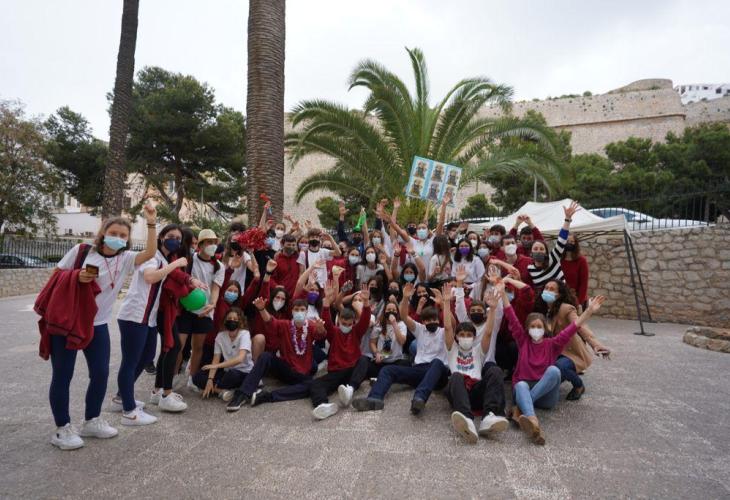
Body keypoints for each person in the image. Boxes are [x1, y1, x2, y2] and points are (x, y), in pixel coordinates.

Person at [45, 203, 158, 450]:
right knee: (63, 375)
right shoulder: (82, 251)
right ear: (103, 233)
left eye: (123, 235)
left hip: (98, 325)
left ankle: (92, 420)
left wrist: (151, 222)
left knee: (100, 373)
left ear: (127, 239)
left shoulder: (126, 259)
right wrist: (76, 276)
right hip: (68, 323)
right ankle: (62, 428)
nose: (118, 237)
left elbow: (150, 252)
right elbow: (56, 276)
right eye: (113, 233)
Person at [502, 281, 606, 445]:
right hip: (524, 389)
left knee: (554, 370)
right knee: (520, 385)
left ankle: (521, 408)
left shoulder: (552, 344)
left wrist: (589, 311)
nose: (536, 329)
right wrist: (502, 293)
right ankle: (533, 422)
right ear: (527, 329)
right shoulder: (523, 341)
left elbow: (574, 326)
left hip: (546, 397)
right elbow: (511, 315)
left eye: (539, 326)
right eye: (532, 326)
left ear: (545, 329)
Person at [115, 224, 189, 426]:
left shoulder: (164, 258)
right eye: (171, 236)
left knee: (147, 356)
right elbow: (150, 277)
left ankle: (122, 396)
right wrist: (175, 264)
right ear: (162, 236)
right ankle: (129, 411)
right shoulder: (152, 256)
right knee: (130, 361)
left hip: (148, 318)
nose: (175, 240)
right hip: (134, 315)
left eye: (178, 238)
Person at [352, 282, 449, 415]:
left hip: (439, 374)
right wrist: (405, 298)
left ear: (439, 320)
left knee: (437, 362)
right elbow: (404, 316)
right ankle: (374, 399)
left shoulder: (444, 332)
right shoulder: (420, 329)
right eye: (427, 320)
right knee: (387, 370)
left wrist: (444, 304)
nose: (431, 322)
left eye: (434, 319)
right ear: (423, 321)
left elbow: (450, 325)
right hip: (419, 370)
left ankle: (419, 399)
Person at [225, 298, 326, 411]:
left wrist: (321, 329)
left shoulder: (311, 326)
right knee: (266, 356)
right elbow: (270, 321)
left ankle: (266, 396)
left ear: (306, 312)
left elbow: (320, 335)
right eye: (296, 309)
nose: (299, 312)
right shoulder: (285, 325)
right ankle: (242, 394)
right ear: (292, 311)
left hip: (302, 374)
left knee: (312, 385)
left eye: (302, 310)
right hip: (286, 369)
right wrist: (262, 309)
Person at [443, 284, 509, 443]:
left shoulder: (479, 350)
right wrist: (446, 303)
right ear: (457, 337)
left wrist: (492, 309)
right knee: (456, 376)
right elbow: (447, 327)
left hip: (476, 392)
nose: (465, 337)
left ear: (474, 338)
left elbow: (488, 332)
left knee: (495, 370)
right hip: (458, 391)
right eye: (462, 334)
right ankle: (466, 419)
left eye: (469, 335)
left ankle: (489, 416)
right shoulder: (452, 349)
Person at [538, 280, 612, 401]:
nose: (547, 291)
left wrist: (595, 344)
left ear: (559, 294)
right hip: (552, 351)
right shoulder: (542, 309)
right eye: (546, 288)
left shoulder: (566, 308)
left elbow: (580, 326)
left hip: (570, 352)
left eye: (552, 289)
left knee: (560, 367)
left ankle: (579, 385)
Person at [309, 284, 372, 420]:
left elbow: (365, 321)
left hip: (352, 371)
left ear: (353, 323)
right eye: (344, 323)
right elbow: (327, 322)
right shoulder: (334, 332)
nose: (346, 326)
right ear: (339, 321)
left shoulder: (356, 331)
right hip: (336, 372)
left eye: (349, 324)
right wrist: (326, 301)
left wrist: (366, 302)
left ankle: (350, 390)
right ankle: (323, 405)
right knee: (315, 384)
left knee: (364, 360)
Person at [176, 229, 225, 391]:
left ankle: (192, 378)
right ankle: (172, 377)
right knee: (179, 346)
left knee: (197, 347)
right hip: (185, 309)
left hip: (205, 312)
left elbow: (216, 288)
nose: (212, 245)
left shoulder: (219, 266)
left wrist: (213, 304)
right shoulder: (190, 259)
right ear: (201, 245)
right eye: (209, 242)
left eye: (214, 242)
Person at [191, 308, 253, 401]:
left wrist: (216, 366)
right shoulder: (220, 336)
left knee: (232, 375)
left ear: (240, 321)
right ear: (225, 320)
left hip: (243, 371)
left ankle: (217, 390)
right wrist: (210, 379)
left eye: (235, 319)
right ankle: (220, 390)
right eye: (229, 318)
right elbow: (216, 359)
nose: (232, 321)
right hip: (227, 370)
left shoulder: (244, 334)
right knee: (197, 377)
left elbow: (240, 359)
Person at [527, 201, 580, 289]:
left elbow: (562, 240)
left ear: (546, 252)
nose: (539, 251)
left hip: (562, 296)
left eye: (541, 249)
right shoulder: (530, 269)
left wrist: (567, 219)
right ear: (531, 253)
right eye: (535, 249)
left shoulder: (553, 258)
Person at [560, 234, 590, 310]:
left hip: (577, 299)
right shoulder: (559, 260)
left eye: (572, 242)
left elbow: (584, 283)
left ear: (576, 244)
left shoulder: (581, 261)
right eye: (567, 241)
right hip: (561, 299)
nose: (569, 243)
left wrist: (579, 303)